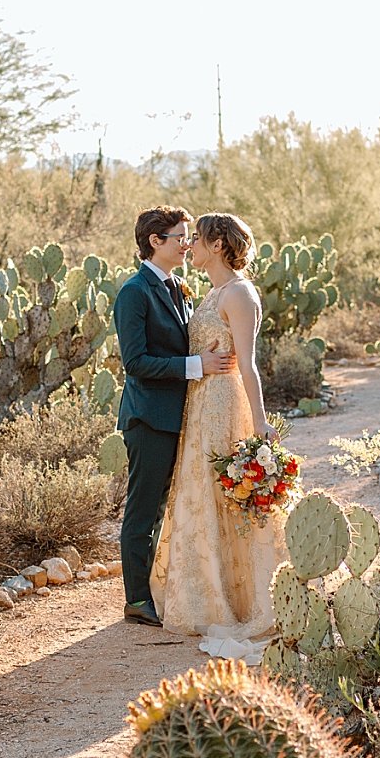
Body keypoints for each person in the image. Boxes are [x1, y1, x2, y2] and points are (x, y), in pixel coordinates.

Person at [151, 211, 288, 659]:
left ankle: (246, 600)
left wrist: (261, 421)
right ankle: (206, 595)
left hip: (226, 404)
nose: (190, 246)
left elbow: (247, 363)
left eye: (199, 240)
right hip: (200, 405)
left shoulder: (241, 294)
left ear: (218, 245)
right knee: (201, 493)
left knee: (228, 496)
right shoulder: (214, 292)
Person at [114, 206, 234, 626]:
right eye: (180, 237)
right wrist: (196, 365)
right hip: (148, 418)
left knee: (169, 507)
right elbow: (136, 363)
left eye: (189, 237)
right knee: (143, 510)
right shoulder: (134, 291)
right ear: (154, 242)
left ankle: (161, 591)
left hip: (181, 417)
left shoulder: (178, 286)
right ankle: (136, 600)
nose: (187, 244)